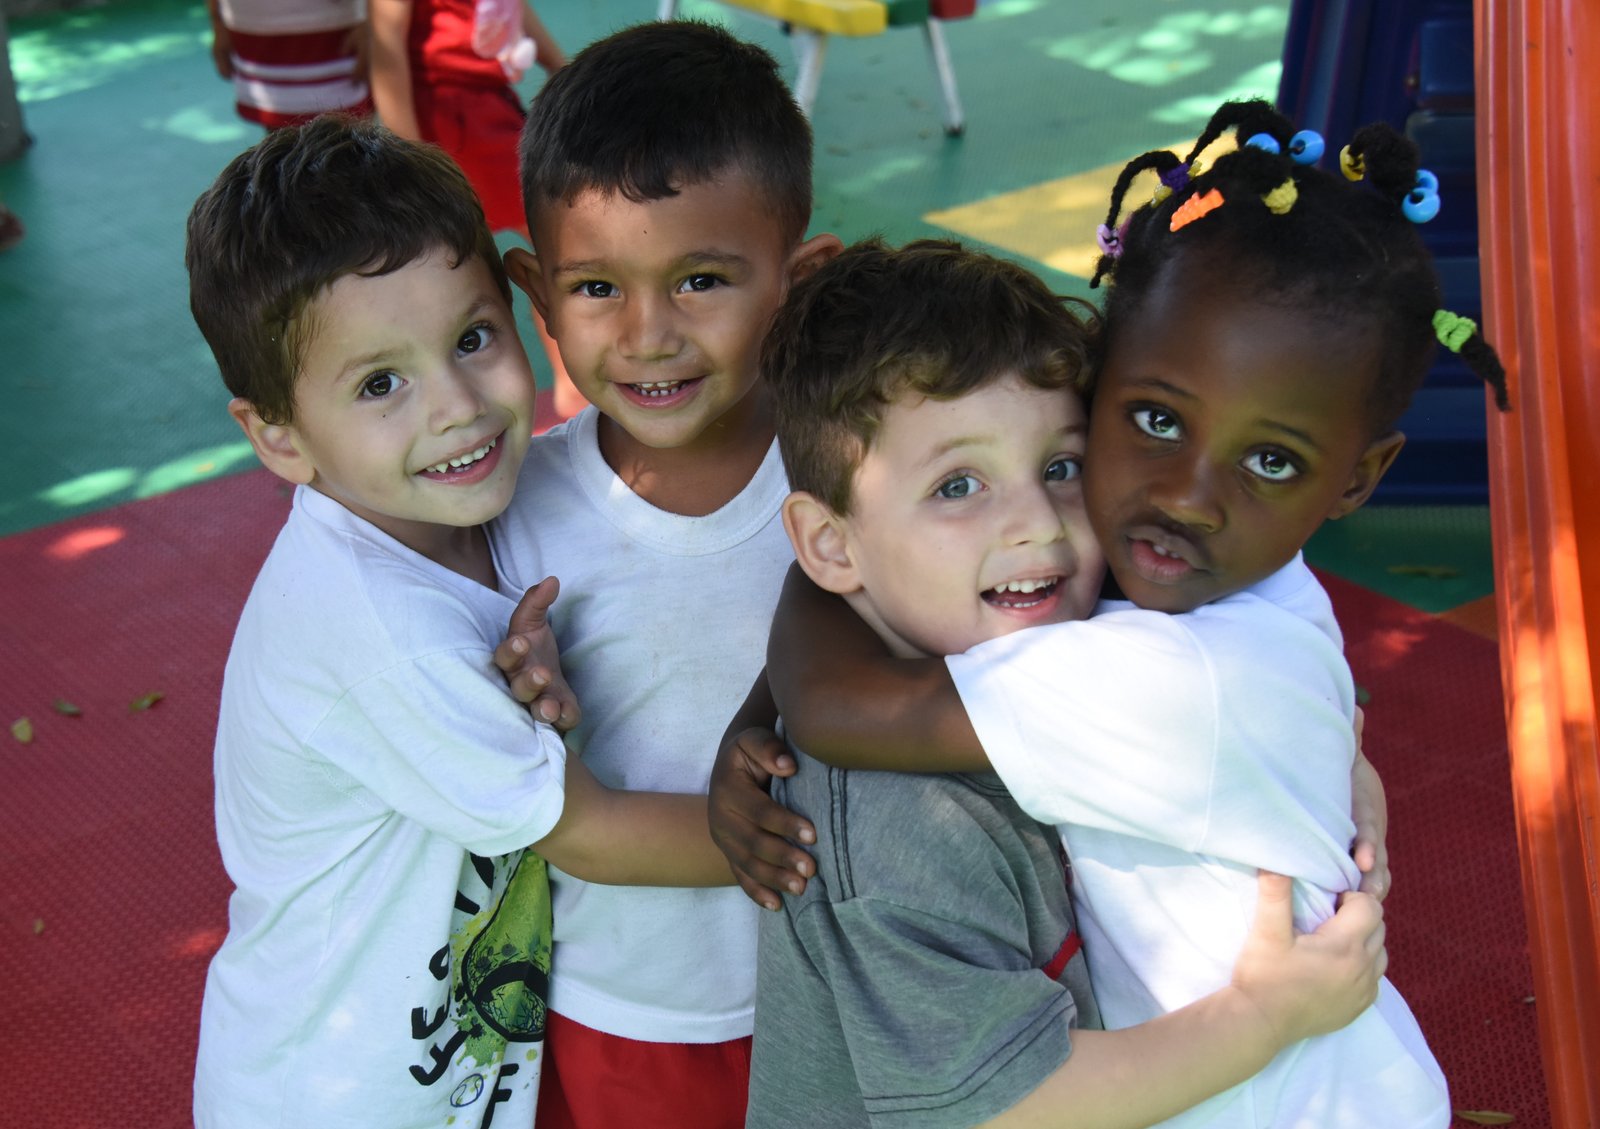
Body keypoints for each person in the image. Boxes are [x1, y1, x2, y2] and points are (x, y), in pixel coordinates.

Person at [720, 101, 1511, 1127]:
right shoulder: (1217, 577)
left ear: (1356, 478)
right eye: (1152, 422)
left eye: (1057, 466)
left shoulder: (1151, 675)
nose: (1185, 496)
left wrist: (807, 620)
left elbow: (831, 704)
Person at [183, 114, 734, 1129]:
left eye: (473, 339)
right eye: (380, 383)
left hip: (440, 1077)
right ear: (277, 435)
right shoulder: (377, 628)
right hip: (335, 1098)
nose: (455, 406)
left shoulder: (462, 519)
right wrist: (828, 837)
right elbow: (597, 835)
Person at [487, 21, 843, 1128]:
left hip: (844, 990)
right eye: (597, 288)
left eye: (699, 278)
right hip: (622, 1010)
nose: (648, 335)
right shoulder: (507, 509)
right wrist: (505, 682)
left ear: (801, 283)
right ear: (537, 296)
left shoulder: (863, 473)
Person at [368, 0, 581, 417]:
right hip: (443, 119)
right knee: (447, 263)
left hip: (490, 106)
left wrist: (561, 69)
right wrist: (409, 157)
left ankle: (570, 382)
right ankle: (463, 393)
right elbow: (387, 52)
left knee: (555, 244)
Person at [203, 0, 372, 130]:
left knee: (349, 135)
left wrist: (373, 22)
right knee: (279, 132)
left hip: (337, 36)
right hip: (256, 34)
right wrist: (218, 21)